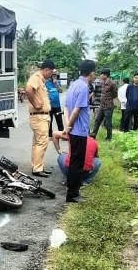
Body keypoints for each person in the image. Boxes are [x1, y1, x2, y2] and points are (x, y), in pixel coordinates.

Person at [64, 59, 95, 203]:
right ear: (91, 72)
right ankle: (73, 194)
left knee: (74, 162)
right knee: (77, 164)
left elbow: (66, 108)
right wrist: (69, 126)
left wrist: (67, 126)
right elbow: (76, 110)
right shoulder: (83, 86)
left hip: (73, 130)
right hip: (79, 131)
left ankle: (72, 192)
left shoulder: (73, 85)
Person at [26, 59, 54, 177]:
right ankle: (37, 168)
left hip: (41, 117)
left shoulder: (41, 80)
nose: (51, 74)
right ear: (46, 69)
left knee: (38, 143)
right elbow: (28, 89)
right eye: (51, 72)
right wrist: (36, 104)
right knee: (42, 142)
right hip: (39, 116)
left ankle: (37, 166)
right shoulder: (36, 77)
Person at [91, 68, 117, 141]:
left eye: (101, 74)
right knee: (97, 120)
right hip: (101, 105)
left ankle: (109, 137)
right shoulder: (102, 82)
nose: (100, 76)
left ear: (105, 75)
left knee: (108, 122)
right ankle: (93, 135)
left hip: (108, 106)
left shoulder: (112, 83)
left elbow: (115, 94)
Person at [46, 68, 64, 137]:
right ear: (50, 75)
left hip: (57, 105)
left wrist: (56, 83)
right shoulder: (47, 83)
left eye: (55, 75)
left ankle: (62, 134)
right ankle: (50, 135)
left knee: (59, 120)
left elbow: (61, 91)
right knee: (50, 121)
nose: (54, 76)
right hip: (50, 105)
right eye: (53, 75)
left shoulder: (57, 82)